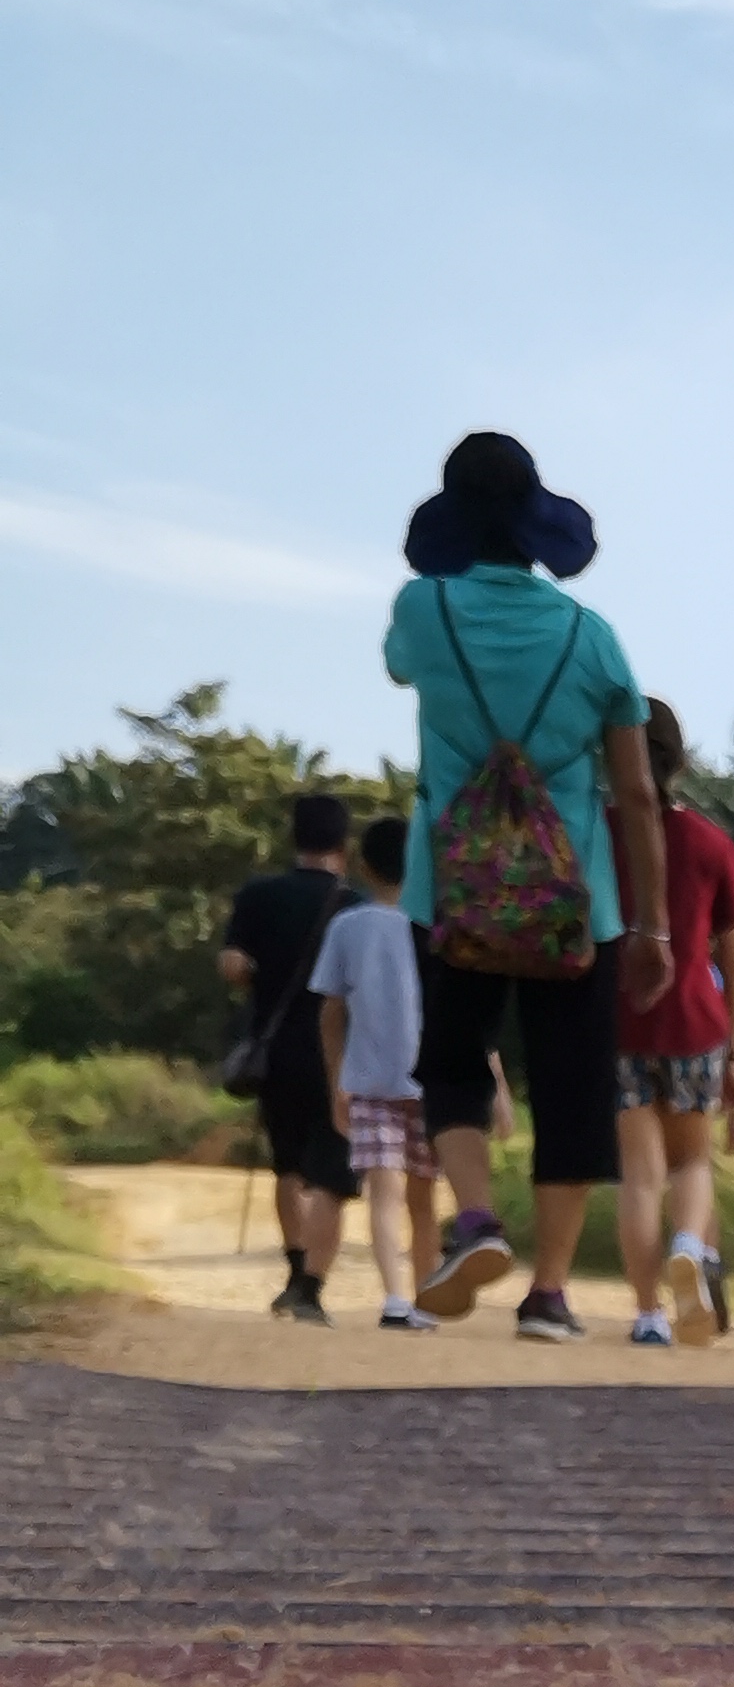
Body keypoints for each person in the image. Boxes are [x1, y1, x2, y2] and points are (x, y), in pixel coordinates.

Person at [382, 433, 672, 1339]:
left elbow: (399, 667)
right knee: (572, 1087)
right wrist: (655, 928)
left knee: (452, 1065)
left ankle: (475, 1220)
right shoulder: (593, 637)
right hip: (577, 906)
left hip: (449, 894)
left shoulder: (424, 609)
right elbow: (636, 792)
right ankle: (548, 1293)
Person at [613, 699, 734, 1348]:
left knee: (639, 1175)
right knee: (692, 1160)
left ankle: (647, 1316)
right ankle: (690, 1245)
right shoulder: (712, 844)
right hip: (696, 1019)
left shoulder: (602, 834)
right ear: (683, 762)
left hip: (623, 1018)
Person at [218, 790, 356, 1322]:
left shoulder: (258, 895)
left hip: (276, 1052)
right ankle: (313, 1289)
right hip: (340, 1055)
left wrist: (261, 978)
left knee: (288, 1165)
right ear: (344, 844)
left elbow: (233, 965)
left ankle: (296, 1270)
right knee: (331, 1175)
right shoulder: (355, 905)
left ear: (294, 837)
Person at [308, 814, 438, 1332]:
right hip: (432, 1079)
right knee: (425, 1200)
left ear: (363, 866)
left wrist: (336, 1079)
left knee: (385, 1194)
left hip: (368, 1081)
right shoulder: (437, 924)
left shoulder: (347, 926)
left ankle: (395, 1299)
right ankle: (428, 1296)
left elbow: (330, 1012)